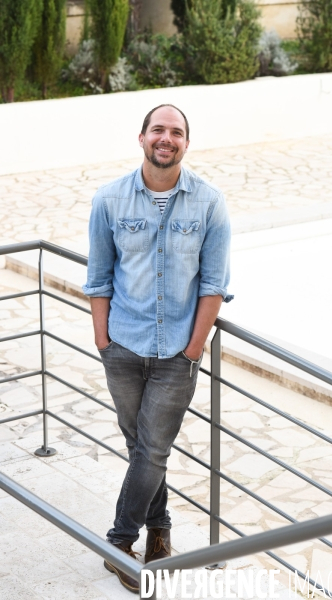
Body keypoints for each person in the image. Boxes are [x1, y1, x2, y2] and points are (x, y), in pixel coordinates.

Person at [83, 104, 232, 593]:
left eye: (177, 132)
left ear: (186, 143)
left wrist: (193, 350)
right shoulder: (109, 200)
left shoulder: (209, 203)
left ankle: (119, 543)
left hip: (176, 356)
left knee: (151, 449)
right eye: (158, 130)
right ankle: (161, 531)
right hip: (122, 347)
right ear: (142, 137)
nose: (166, 138)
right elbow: (99, 278)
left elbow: (213, 284)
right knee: (143, 449)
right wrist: (103, 340)